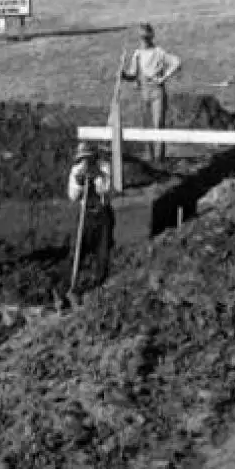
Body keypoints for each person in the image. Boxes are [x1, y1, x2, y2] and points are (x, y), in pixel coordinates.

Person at [120, 22, 182, 163]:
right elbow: (132, 74)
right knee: (145, 126)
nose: (144, 41)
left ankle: (159, 158)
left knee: (157, 124)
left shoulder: (158, 52)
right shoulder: (137, 54)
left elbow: (177, 62)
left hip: (157, 93)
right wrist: (123, 74)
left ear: (151, 37)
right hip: (143, 93)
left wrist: (164, 77)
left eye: (146, 38)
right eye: (142, 38)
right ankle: (149, 157)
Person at [65, 141, 115, 305]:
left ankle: (99, 286)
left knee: (102, 253)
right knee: (78, 252)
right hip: (85, 215)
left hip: (102, 214)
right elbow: (72, 196)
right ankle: (71, 286)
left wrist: (97, 177)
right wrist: (79, 182)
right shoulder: (76, 170)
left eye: (88, 158)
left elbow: (107, 190)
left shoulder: (105, 167)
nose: (85, 162)